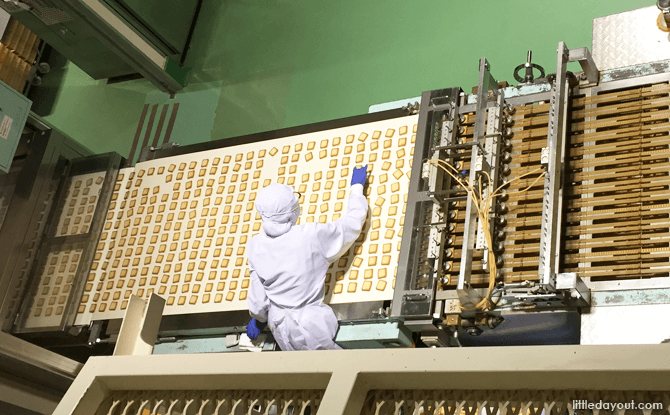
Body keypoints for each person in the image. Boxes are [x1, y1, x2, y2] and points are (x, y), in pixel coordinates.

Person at [245, 166, 369, 350]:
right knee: (337, 368)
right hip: (313, 325)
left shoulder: (255, 245)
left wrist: (258, 318)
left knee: (307, 373)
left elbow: (258, 300)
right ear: (289, 212)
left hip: (279, 326)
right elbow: (351, 225)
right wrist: (357, 188)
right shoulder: (310, 236)